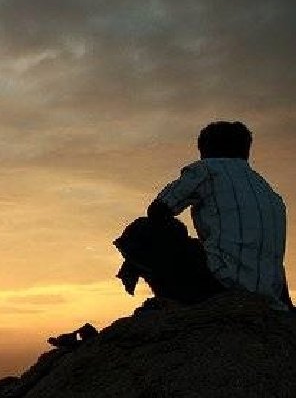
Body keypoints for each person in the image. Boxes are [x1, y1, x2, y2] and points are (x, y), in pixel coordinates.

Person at [114, 120, 293, 311]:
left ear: (206, 149)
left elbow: (158, 209)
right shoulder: (269, 192)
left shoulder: (206, 169)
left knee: (143, 228)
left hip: (220, 282)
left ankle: (173, 303)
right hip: (268, 292)